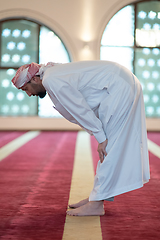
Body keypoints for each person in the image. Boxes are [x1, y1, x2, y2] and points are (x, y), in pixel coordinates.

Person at [11, 60, 150, 216]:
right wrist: (99, 134)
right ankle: (96, 197)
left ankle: (96, 204)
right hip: (119, 85)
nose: (29, 94)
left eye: (26, 89)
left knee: (109, 148)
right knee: (110, 147)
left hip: (119, 88)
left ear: (35, 79)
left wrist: (100, 137)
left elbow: (79, 108)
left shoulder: (51, 79)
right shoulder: (52, 75)